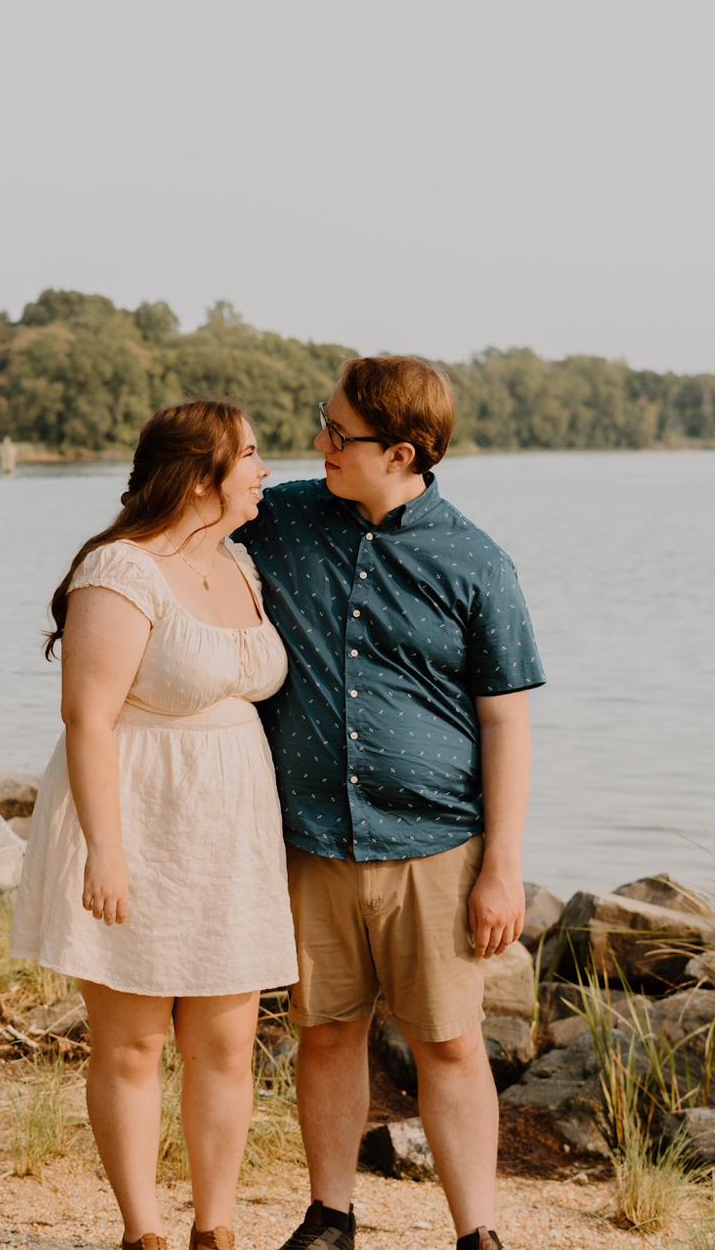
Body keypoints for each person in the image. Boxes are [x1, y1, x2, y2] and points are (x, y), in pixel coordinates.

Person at [233, 357, 546, 1250]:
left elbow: (506, 722)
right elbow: (179, 529)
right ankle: (330, 1218)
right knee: (327, 1032)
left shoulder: (477, 562)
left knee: (449, 1044)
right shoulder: (283, 519)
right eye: (323, 421)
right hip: (312, 839)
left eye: (338, 432)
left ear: (402, 452)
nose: (319, 441)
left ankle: (476, 1234)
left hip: (437, 847)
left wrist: (503, 867)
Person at [10, 399, 299, 1250]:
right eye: (250, 454)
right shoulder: (121, 570)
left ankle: (216, 1230)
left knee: (228, 1045)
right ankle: (144, 1233)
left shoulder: (239, 563)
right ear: (202, 476)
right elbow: (87, 718)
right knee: (134, 1043)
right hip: (139, 817)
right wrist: (106, 851)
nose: (265, 470)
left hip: (231, 830)